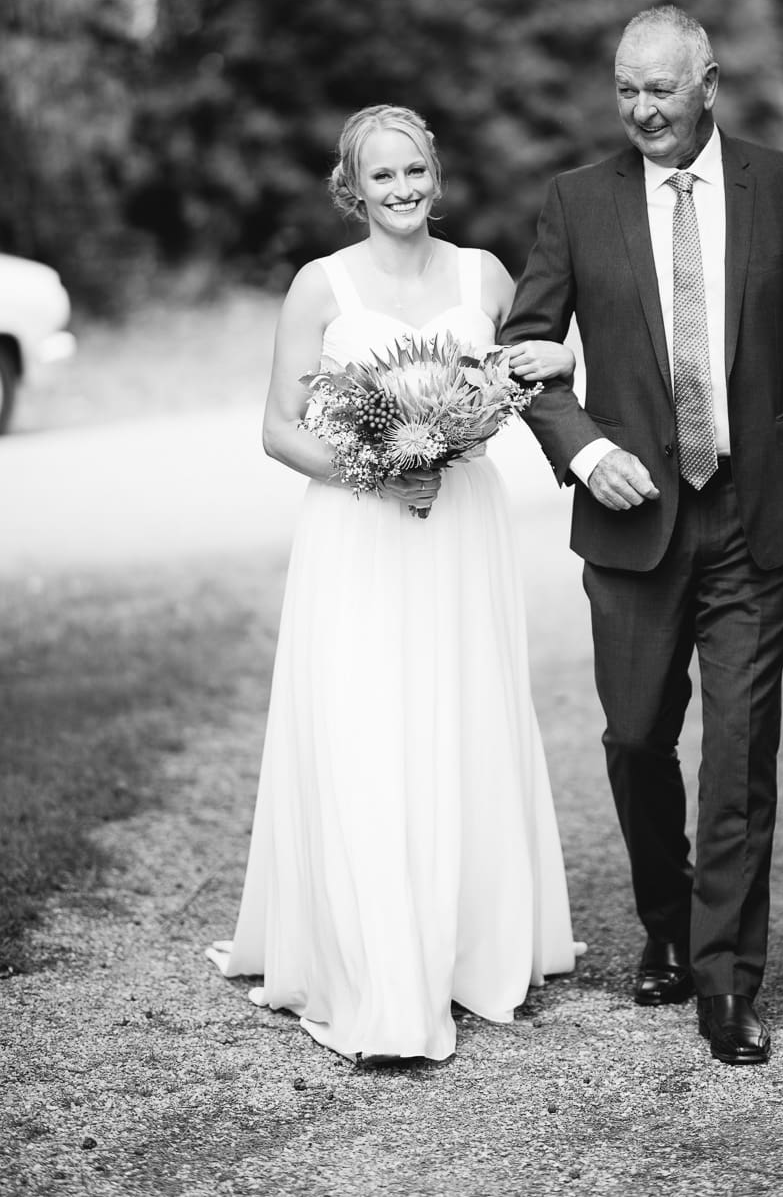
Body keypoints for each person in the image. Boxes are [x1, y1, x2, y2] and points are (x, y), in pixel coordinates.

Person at [501, 5, 783, 1066]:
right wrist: (584, 450)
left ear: (707, 84)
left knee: (736, 750)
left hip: (754, 515)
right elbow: (524, 352)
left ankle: (726, 981)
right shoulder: (575, 204)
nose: (640, 109)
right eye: (624, 89)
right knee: (635, 738)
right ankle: (665, 926)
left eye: (659, 90)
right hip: (630, 520)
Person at [208, 104, 579, 1063]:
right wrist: (372, 469)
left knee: (462, 712)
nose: (402, 189)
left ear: (435, 174)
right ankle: (377, 958)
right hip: (357, 533)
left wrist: (542, 371)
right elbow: (278, 427)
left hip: (462, 526)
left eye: (414, 171)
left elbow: (537, 365)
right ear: (352, 188)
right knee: (366, 722)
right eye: (382, 177)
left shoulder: (483, 275)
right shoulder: (318, 288)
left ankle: (468, 947)